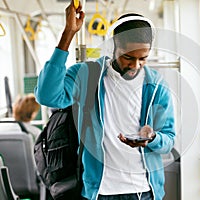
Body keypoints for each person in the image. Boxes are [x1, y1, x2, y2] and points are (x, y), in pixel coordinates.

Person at [34, 1, 176, 200]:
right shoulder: (87, 75)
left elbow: (168, 140)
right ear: (114, 46)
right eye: (128, 57)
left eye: (143, 58)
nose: (136, 66)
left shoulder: (157, 87)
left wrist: (153, 138)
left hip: (144, 192)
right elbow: (47, 95)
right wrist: (68, 34)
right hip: (98, 192)